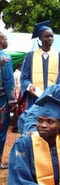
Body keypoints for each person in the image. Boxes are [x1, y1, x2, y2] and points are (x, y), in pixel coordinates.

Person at [20, 20, 60, 109]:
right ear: (40, 38)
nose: (50, 39)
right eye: (46, 36)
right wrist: (29, 86)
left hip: (54, 98)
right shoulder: (30, 56)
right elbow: (24, 77)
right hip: (34, 98)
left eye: (51, 36)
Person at [0, 32, 17, 169]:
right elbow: (9, 80)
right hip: (1, 101)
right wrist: (12, 100)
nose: (7, 41)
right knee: (0, 131)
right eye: (5, 38)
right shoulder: (5, 58)